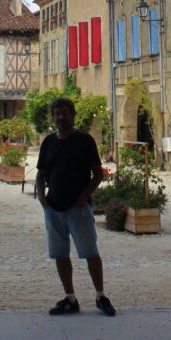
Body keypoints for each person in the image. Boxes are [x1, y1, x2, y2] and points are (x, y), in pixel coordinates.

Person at [35, 97, 116, 317]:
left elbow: (98, 174)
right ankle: (70, 298)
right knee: (60, 255)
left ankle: (100, 295)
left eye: (65, 113)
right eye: (57, 113)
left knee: (90, 252)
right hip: (54, 208)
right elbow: (41, 173)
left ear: (72, 116)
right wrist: (42, 199)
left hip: (78, 208)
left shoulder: (85, 141)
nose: (61, 117)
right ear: (54, 117)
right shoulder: (48, 142)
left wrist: (84, 196)